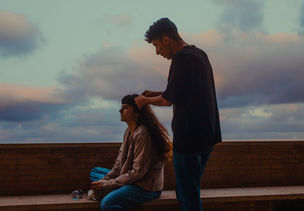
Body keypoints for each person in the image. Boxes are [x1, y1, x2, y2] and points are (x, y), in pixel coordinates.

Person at [135, 18, 222, 211]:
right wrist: (156, 93)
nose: (158, 52)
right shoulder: (199, 54)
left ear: (166, 39)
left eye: (157, 46)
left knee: (188, 196)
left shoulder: (181, 58)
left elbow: (169, 100)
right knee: (190, 190)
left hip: (189, 140)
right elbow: (182, 93)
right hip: (207, 137)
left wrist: (144, 100)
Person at [89, 94, 171, 211]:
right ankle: (114, 190)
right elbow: (118, 165)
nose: (120, 110)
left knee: (107, 204)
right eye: (121, 107)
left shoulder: (143, 133)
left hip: (145, 187)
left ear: (137, 113)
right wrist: (105, 181)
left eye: (126, 108)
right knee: (95, 172)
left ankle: (111, 192)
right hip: (129, 179)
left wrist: (107, 184)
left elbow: (137, 173)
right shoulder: (128, 132)